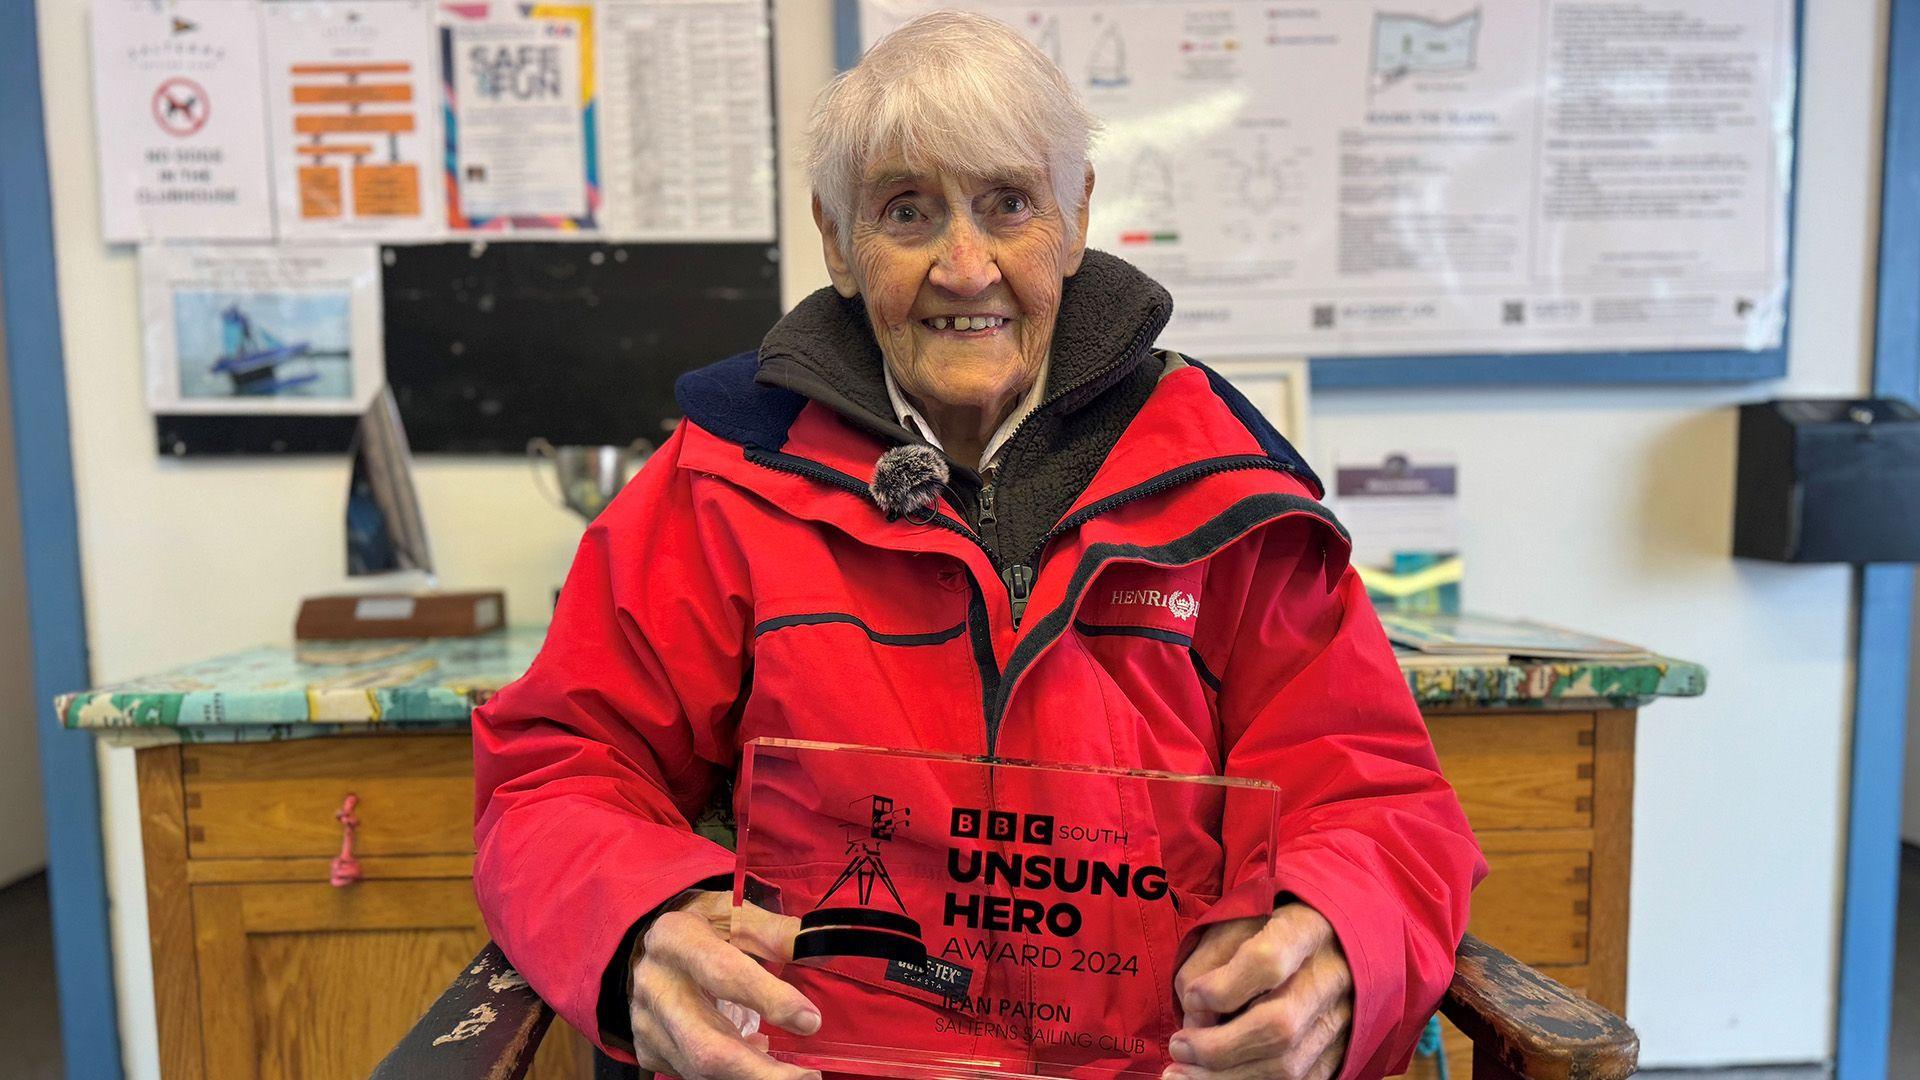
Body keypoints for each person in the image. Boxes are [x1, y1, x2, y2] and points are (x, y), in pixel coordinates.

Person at [472, 11, 1485, 1080]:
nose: (965, 268)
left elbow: (1375, 800)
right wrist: (638, 924)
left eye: (1008, 204)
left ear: (1077, 215)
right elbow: (558, 777)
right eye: (907, 212)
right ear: (838, 242)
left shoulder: (1224, 489)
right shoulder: (722, 479)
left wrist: (1334, 943)